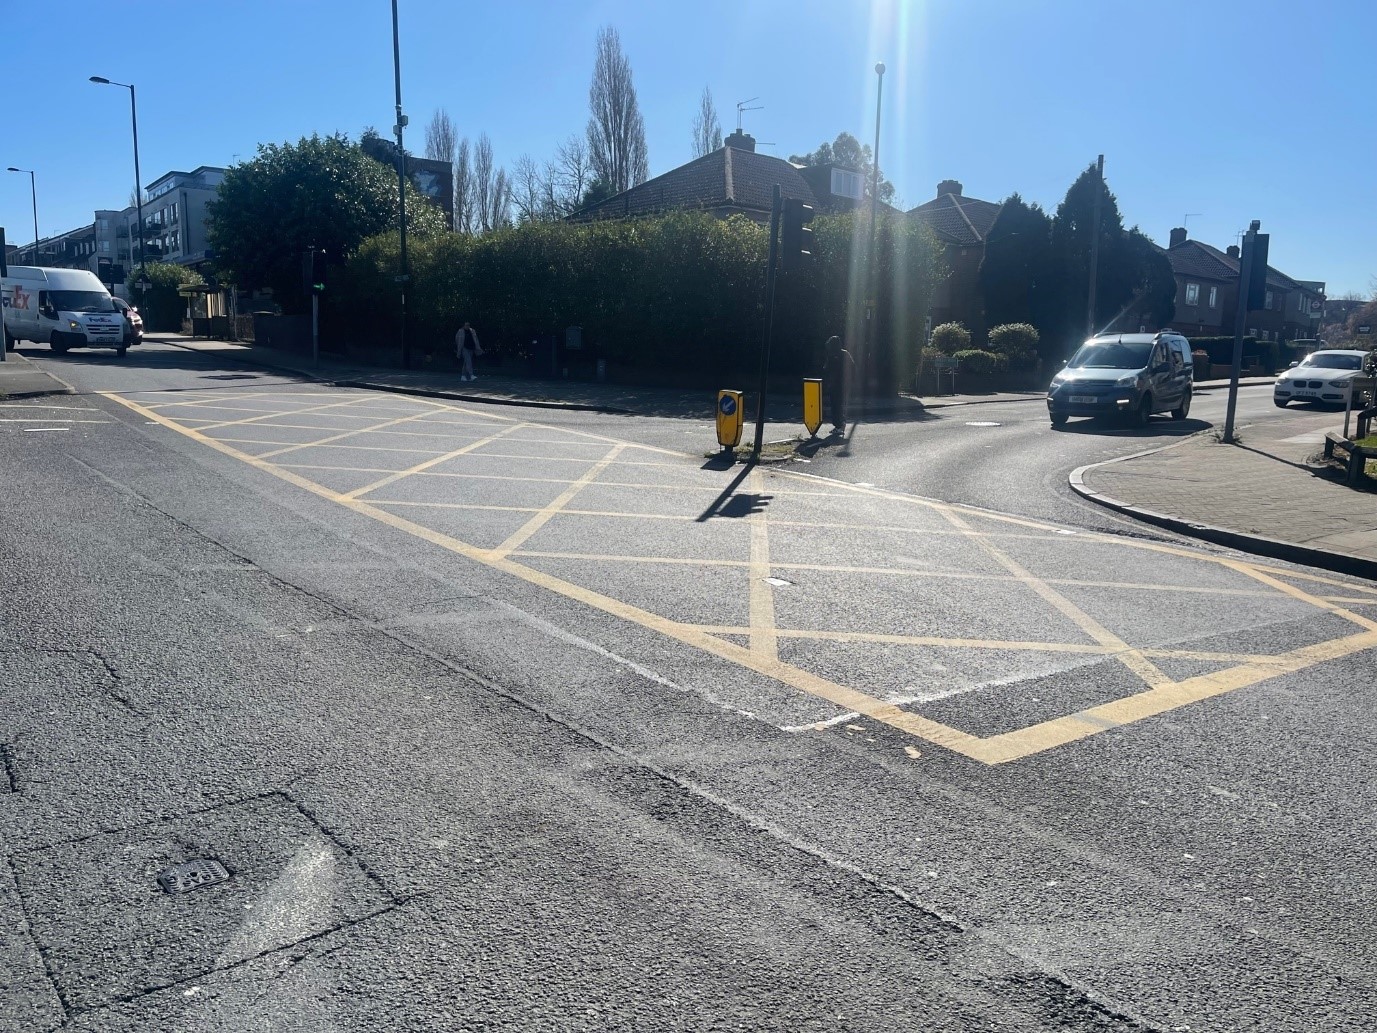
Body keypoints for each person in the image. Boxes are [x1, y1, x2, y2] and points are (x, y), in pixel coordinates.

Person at [821, 335, 854, 434]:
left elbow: (826, 369)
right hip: (841, 384)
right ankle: (838, 425)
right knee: (838, 405)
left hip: (836, 384)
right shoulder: (844, 354)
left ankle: (839, 425)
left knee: (836, 405)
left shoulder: (833, 355)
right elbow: (852, 366)